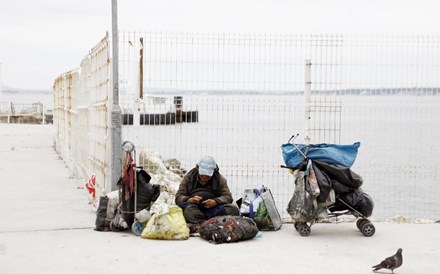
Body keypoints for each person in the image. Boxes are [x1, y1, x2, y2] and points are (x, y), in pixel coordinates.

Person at [175, 156, 239, 231]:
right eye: (202, 175)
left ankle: (203, 223)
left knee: (233, 209)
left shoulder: (220, 179)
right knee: (188, 211)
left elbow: (228, 197)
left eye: (207, 176)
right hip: (195, 209)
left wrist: (216, 201)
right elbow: (179, 197)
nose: (204, 177)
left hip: (213, 209)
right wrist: (190, 200)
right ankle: (212, 222)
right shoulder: (189, 178)